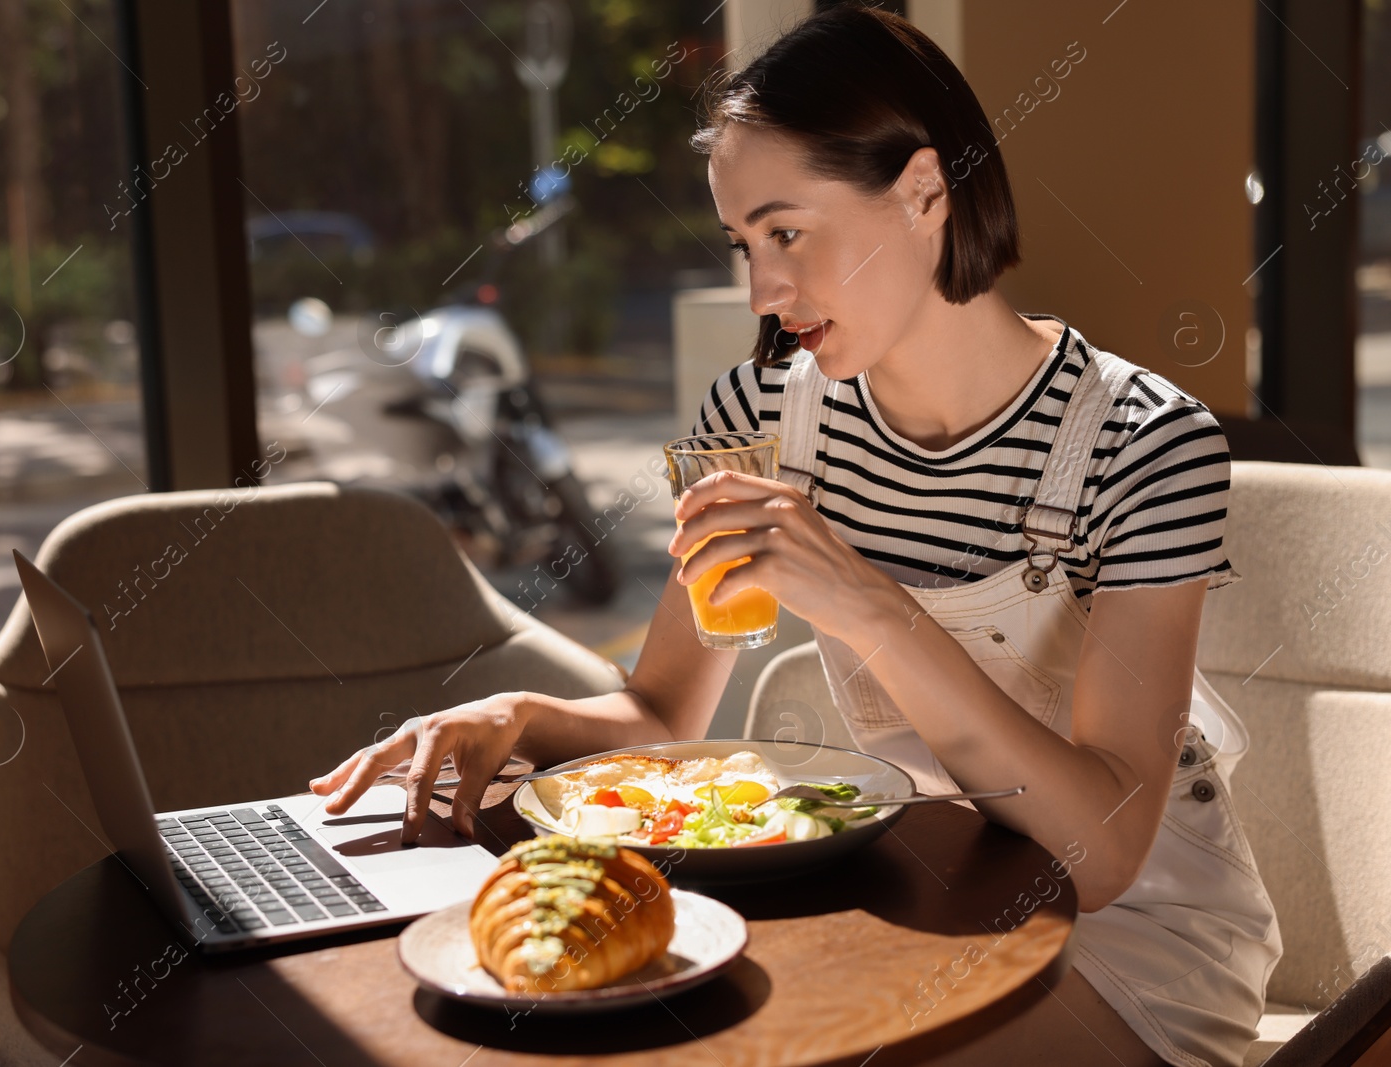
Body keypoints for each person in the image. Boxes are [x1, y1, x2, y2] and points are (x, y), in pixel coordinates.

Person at [309, 6, 1281, 1064]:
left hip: (1132, 948)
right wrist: (519, 712)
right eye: (740, 244)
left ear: (921, 192)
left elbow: (1104, 854)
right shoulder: (759, 416)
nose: (763, 293)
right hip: (918, 895)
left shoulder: (1144, 444)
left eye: (786, 232)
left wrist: (869, 604)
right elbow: (660, 709)